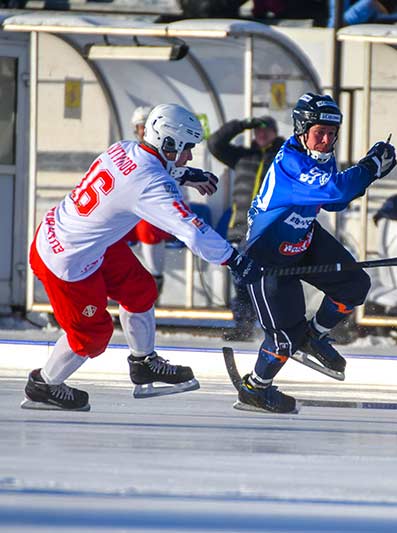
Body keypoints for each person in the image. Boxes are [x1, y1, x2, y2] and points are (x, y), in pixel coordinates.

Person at [23, 104, 263, 411]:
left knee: (140, 289)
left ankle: (143, 362)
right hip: (66, 259)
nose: (189, 156)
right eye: (186, 149)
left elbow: (140, 172)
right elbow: (192, 230)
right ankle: (44, 384)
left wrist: (183, 173)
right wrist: (235, 259)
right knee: (92, 335)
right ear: (169, 143)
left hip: (72, 236)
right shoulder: (151, 184)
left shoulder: (123, 148)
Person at [236, 92, 397, 414]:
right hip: (266, 257)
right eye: (319, 133)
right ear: (301, 131)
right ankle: (255, 388)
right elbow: (335, 190)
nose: (325, 140)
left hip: (303, 238)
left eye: (331, 133)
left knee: (354, 287)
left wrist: (370, 172)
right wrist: (369, 167)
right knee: (284, 340)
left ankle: (313, 336)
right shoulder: (290, 162)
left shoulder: (321, 156)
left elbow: (334, 201)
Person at [208, 114, 285, 341]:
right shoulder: (242, 157)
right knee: (241, 281)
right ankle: (244, 327)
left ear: (274, 133)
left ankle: (274, 327)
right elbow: (215, 144)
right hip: (240, 229)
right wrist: (242, 124)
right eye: (257, 130)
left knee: (269, 281)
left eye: (266, 130)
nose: (261, 134)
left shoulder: (280, 157)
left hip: (268, 230)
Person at [124, 105, 173, 294]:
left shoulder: (167, 152)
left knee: (147, 226)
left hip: (159, 210)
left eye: (147, 126)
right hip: (133, 208)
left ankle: (155, 275)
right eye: (140, 126)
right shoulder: (129, 150)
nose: (144, 131)